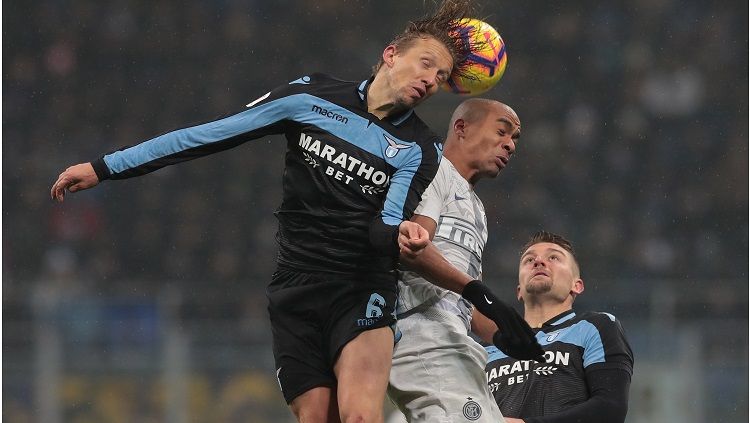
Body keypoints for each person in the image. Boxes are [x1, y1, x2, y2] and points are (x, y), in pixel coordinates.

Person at [49, 2, 534, 422]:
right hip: (296, 291)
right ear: (391, 54)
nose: (430, 80)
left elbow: (381, 229)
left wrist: (401, 235)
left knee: (361, 414)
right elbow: (208, 135)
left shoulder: (418, 149)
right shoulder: (308, 99)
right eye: (426, 64)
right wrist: (105, 167)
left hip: (361, 289)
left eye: (443, 77)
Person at [387, 98, 542, 423]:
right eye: (502, 132)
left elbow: (468, 304)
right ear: (462, 128)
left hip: (455, 340)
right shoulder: (432, 169)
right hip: (422, 332)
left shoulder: (477, 209)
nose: (510, 145)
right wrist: (478, 292)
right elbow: (412, 250)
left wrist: (502, 335)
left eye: (514, 139)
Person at [478, 231, 634, 423]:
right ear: (519, 290)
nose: (538, 262)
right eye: (529, 260)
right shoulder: (485, 348)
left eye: (553, 257)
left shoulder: (595, 327)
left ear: (576, 285)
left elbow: (610, 409)